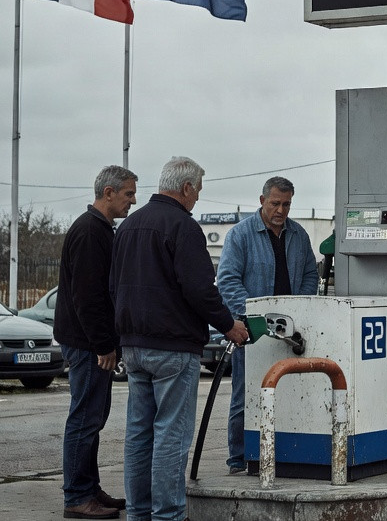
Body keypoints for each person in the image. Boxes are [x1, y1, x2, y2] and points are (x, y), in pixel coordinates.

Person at [110, 157, 249, 521]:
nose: (198, 198)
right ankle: (168, 515)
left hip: (134, 347)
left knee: (139, 435)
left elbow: (113, 287)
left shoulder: (127, 226)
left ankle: (139, 513)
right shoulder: (183, 227)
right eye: (198, 190)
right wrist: (229, 325)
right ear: (186, 188)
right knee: (171, 435)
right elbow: (200, 290)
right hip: (173, 348)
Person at [216, 176, 320, 475]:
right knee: (244, 396)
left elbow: (311, 274)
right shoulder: (240, 235)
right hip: (253, 331)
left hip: (291, 333)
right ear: (262, 201)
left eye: (287, 204)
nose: (281, 210)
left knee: (288, 391)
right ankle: (239, 458)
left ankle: (282, 452)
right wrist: (254, 316)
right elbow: (228, 281)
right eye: (275, 203)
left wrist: (296, 309)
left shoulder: (298, 235)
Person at [57, 165, 138, 520]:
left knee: (93, 417)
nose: (132, 201)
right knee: (85, 418)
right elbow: (87, 297)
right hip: (88, 343)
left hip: (90, 341)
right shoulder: (91, 232)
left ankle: (89, 489)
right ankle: (77, 495)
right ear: (108, 193)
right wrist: (104, 345)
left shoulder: (100, 229)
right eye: (128, 194)